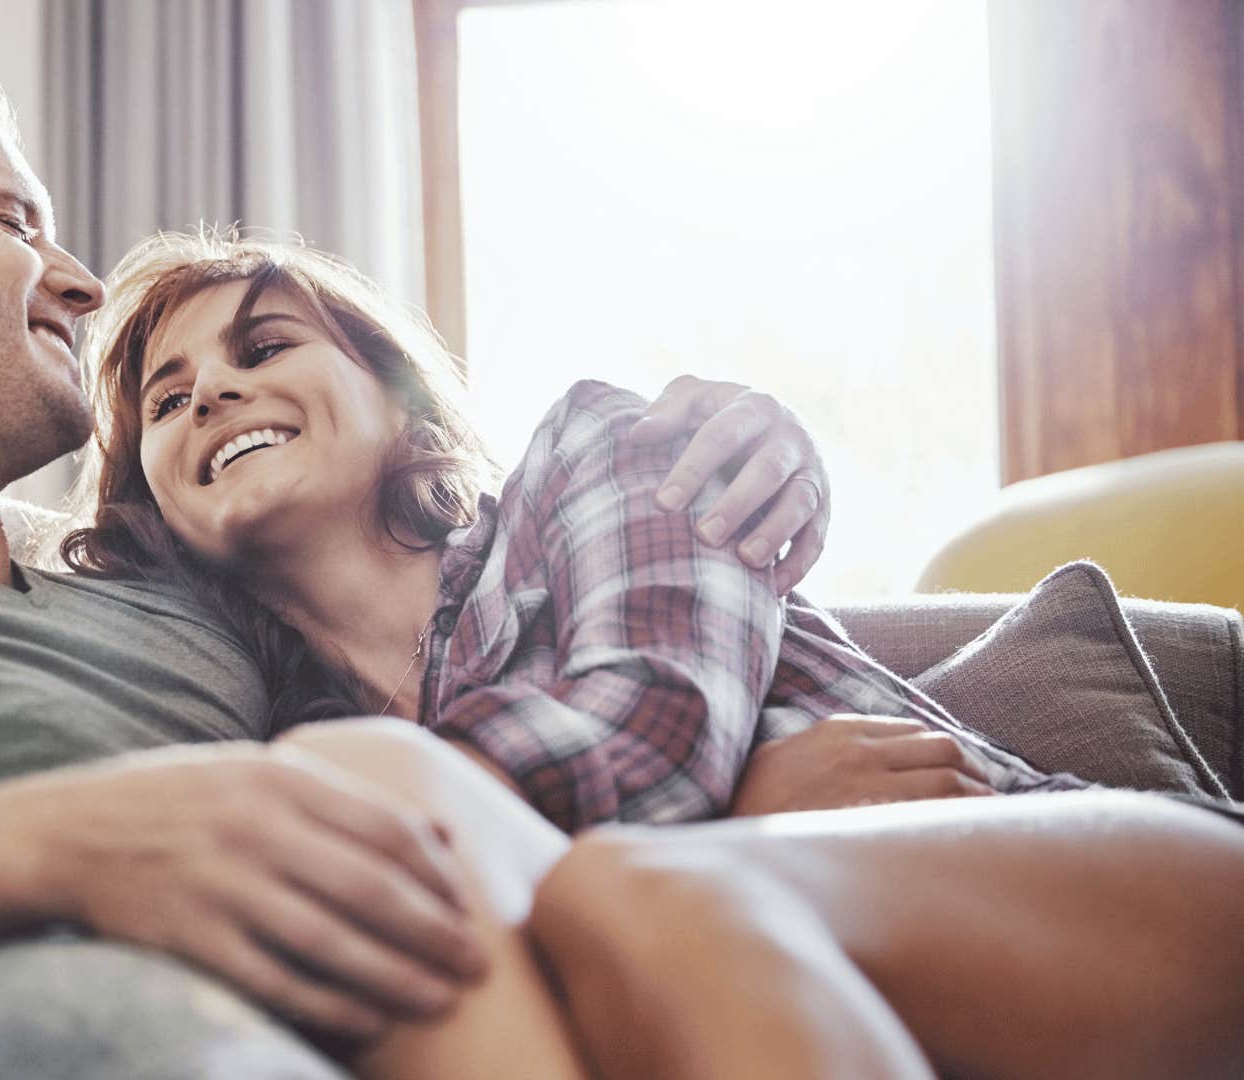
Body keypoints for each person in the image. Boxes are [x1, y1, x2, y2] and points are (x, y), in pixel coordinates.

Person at [0, 53, 843, 1079]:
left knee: (666, 915)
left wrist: (755, 704)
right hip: (82, 1033)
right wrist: (39, 843)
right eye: (14, 219)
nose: (79, 282)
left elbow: (460, 664)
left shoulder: (190, 603)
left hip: (410, 996)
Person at [67, 228, 1244, 1077]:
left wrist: (713, 815)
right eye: (167, 403)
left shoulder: (603, 453)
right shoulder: (290, 734)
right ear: (157, 507)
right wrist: (759, 806)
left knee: (636, 884)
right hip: (795, 1003)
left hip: (1107, 898)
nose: (214, 392)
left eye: (263, 347)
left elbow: (654, 741)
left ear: (402, 404)